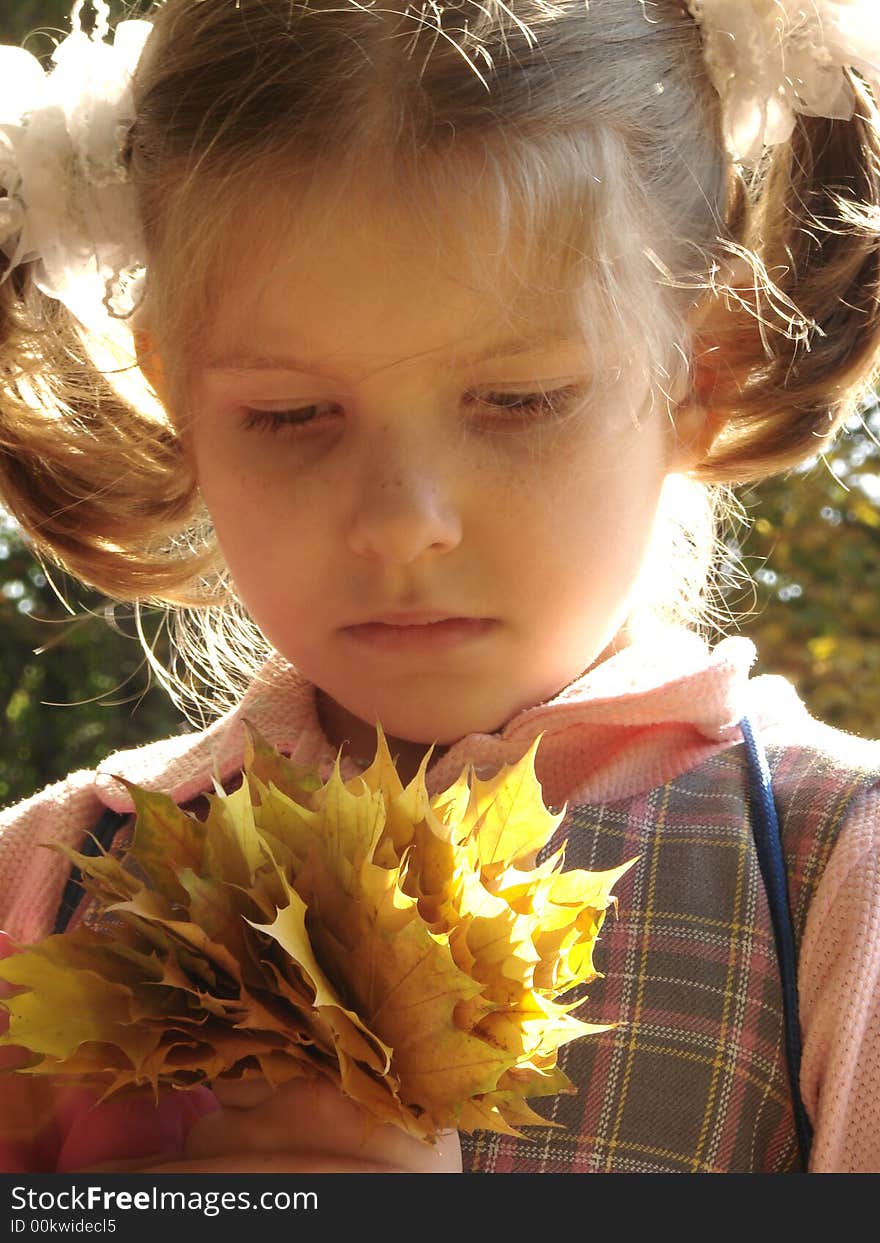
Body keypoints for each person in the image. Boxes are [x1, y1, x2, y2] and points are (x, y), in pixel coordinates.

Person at [0, 0, 878, 1176]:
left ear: (696, 371)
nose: (402, 523)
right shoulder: (49, 883)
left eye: (518, 400)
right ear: (177, 395)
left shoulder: (836, 885)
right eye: (290, 414)